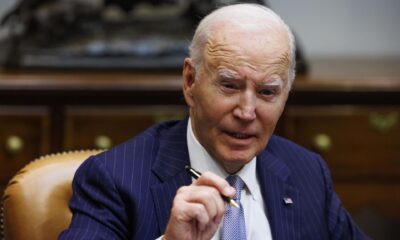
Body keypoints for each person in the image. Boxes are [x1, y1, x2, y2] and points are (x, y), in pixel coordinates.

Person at [59, 3, 369, 240]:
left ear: (285, 96)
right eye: (230, 86)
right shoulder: (115, 179)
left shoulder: (307, 173)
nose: (247, 112)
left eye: (267, 92)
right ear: (190, 81)